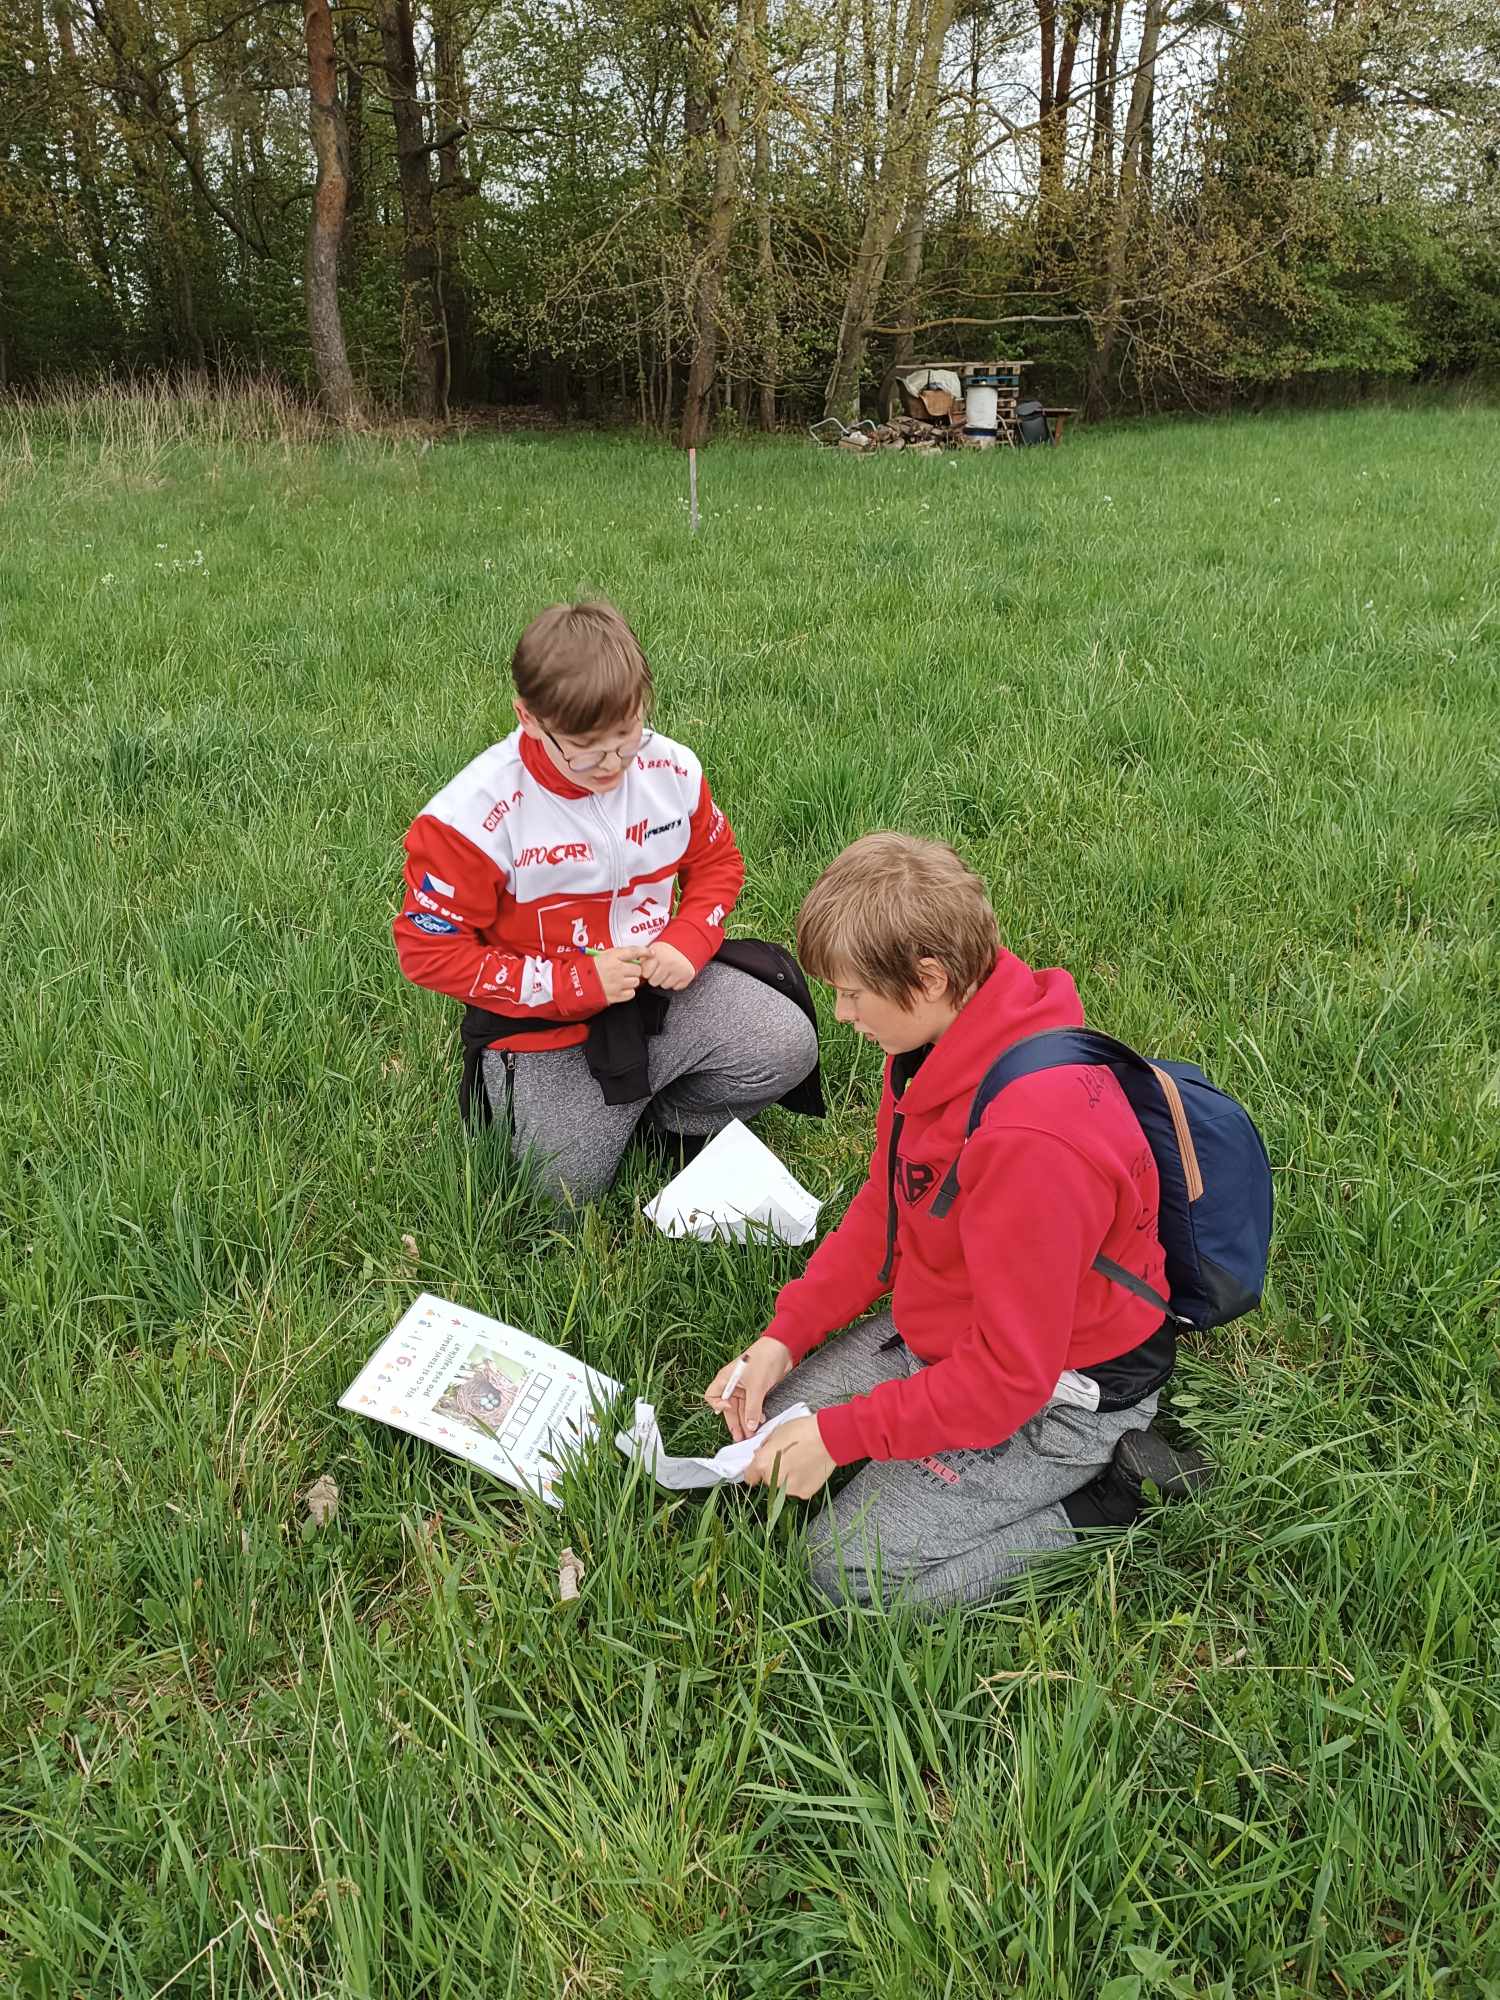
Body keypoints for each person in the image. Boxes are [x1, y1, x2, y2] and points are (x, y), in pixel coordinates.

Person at [704, 833, 1207, 1612]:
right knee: (756, 1439)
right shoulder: (929, 1045)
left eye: (851, 994)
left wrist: (842, 1436)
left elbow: (1010, 1377)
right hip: (952, 1329)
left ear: (929, 977)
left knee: (844, 1575)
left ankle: (1108, 1497)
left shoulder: (1034, 1143)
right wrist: (783, 1337)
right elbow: (886, 1211)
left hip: (1060, 1389)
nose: (841, 1015)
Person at [394, 601, 819, 1203]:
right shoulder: (470, 819)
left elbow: (718, 864)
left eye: (627, 735)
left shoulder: (671, 768)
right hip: (544, 1023)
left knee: (787, 1046)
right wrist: (571, 983)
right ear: (528, 717)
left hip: (656, 992)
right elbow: (427, 952)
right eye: (586, 748)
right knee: (560, 1197)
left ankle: (660, 1118)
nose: (614, 765)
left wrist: (688, 939)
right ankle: (594, 1121)